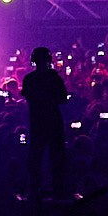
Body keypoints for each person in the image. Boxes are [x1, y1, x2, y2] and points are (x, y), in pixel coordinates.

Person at [20, 45, 68, 198]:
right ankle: (58, 189)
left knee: (36, 156)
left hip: (37, 122)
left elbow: (28, 97)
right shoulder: (55, 79)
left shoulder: (29, 79)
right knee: (56, 156)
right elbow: (63, 99)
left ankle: (34, 189)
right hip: (54, 121)